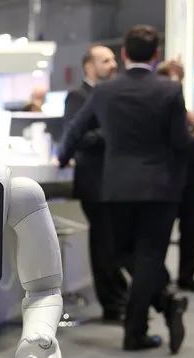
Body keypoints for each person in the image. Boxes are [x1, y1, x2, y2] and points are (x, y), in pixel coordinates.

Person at [58, 25, 194, 355]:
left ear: (125, 54)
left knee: (122, 252)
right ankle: (151, 315)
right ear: (156, 54)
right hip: (161, 186)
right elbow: (179, 140)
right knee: (147, 255)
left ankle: (146, 321)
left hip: (116, 185)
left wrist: (63, 156)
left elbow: (75, 128)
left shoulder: (105, 91)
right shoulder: (168, 91)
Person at [62, 44, 128, 324]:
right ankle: (113, 305)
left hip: (116, 181)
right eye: (106, 60)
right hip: (94, 181)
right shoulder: (78, 96)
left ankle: (120, 297)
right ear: (89, 66)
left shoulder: (112, 94)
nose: (113, 64)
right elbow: (78, 137)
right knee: (104, 244)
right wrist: (114, 130)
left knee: (116, 242)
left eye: (114, 59)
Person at [156, 60, 194, 294]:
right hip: (167, 178)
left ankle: (186, 277)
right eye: (175, 76)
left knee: (190, 231)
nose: (178, 81)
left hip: (191, 177)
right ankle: (160, 277)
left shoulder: (182, 108)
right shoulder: (158, 105)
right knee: (161, 232)